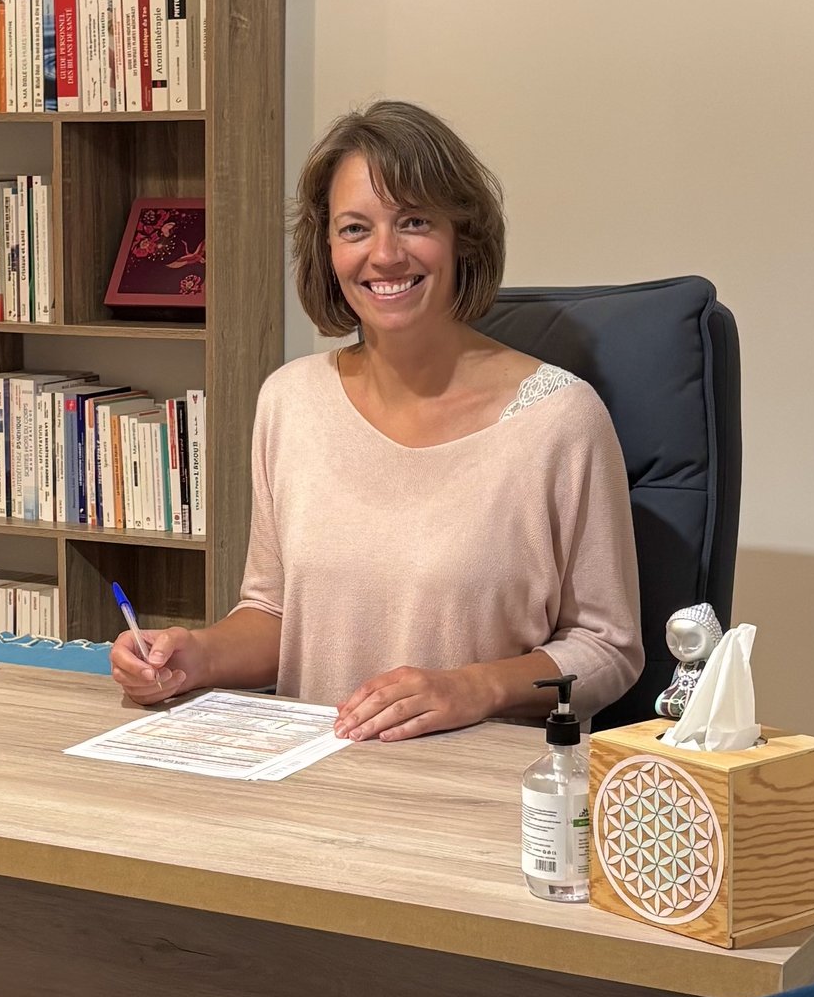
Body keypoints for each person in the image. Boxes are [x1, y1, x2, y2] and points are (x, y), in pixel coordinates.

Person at [111, 101, 642, 741]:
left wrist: (472, 687)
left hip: (476, 798)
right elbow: (276, 614)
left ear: (462, 237)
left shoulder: (561, 419)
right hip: (311, 780)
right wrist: (192, 657)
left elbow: (608, 650)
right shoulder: (290, 401)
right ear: (327, 249)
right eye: (355, 229)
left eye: (413, 221)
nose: (385, 255)